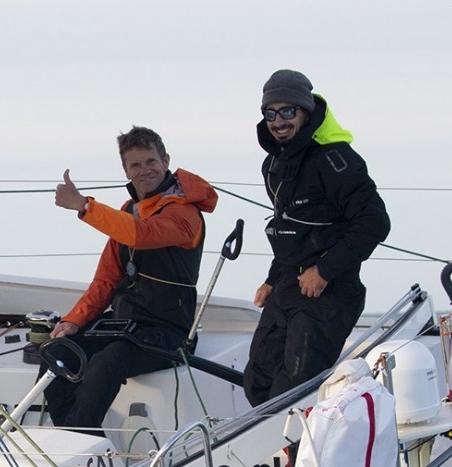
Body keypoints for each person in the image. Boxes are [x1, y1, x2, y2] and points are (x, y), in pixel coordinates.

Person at [45, 125, 218, 434]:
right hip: (125, 323)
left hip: (168, 331)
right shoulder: (129, 211)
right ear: (126, 170)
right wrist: (73, 321)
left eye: (151, 161)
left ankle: (76, 438)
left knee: (107, 362)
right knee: (57, 351)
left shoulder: (184, 214)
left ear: (165, 161)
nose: (145, 170)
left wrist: (85, 206)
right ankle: (73, 440)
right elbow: (106, 280)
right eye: (135, 164)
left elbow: (141, 235)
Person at [244, 70, 390, 407]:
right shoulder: (272, 166)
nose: (278, 122)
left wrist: (325, 270)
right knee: (257, 383)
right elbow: (292, 230)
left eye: (287, 111)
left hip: (329, 293)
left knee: (291, 393)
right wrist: (272, 279)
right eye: (270, 113)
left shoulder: (336, 160)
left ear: (305, 111)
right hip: (288, 286)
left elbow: (375, 222)